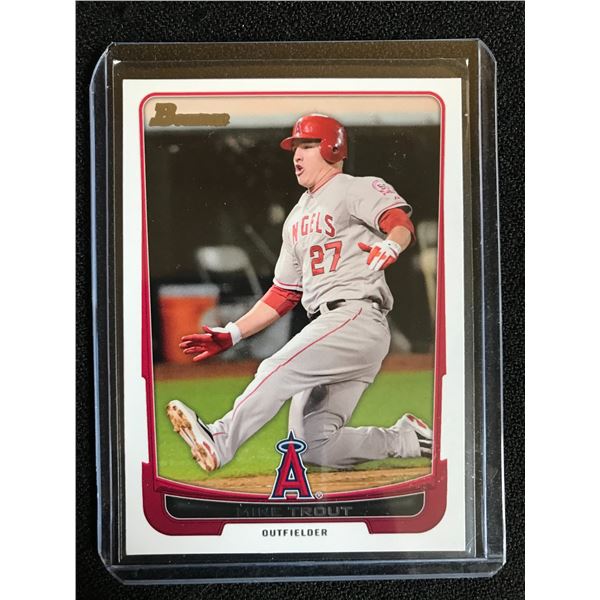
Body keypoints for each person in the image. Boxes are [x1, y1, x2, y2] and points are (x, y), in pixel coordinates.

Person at [167, 113, 432, 472]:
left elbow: (399, 222)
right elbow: (284, 292)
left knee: (277, 367)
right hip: (330, 326)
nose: (297, 155)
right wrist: (233, 333)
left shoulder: (355, 188)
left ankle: (220, 438)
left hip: (355, 316)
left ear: (332, 148)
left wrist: (392, 245)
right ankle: (407, 439)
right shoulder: (295, 218)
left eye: (307, 145)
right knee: (312, 446)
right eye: (295, 147)